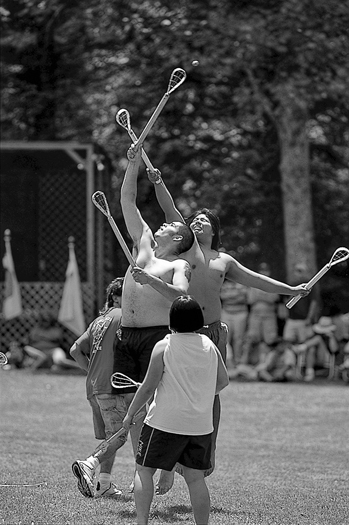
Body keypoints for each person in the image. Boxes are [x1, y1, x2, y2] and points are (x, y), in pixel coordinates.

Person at [147, 167, 309, 492]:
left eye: (203, 221)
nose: (196, 222)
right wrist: (159, 182)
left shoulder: (225, 260)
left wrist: (291, 290)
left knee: (212, 395)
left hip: (213, 334)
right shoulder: (187, 249)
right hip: (182, 331)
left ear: (214, 230)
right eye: (194, 220)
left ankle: (203, 457)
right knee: (170, 391)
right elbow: (170, 211)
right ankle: (167, 465)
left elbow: (257, 280)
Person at [71, 143, 194, 498]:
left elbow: (182, 299)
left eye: (170, 225)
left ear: (178, 239)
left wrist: (151, 280)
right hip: (126, 337)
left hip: (156, 337)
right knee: (131, 411)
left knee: (151, 409)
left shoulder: (176, 265)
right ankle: (140, 468)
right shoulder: (143, 245)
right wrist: (133, 162)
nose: (164, 223)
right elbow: (127, 200)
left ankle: (162, 465)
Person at [122, 295, 229, 525]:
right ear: (199, 321)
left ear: (171, 322)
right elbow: (222, 382)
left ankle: (142, 522)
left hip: (164, 422)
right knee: (195, 478)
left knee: (144, 470)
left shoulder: (165, 345)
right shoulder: (209, 345)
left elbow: (148, 387)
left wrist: (130, 414)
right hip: (200, 426)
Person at [70, 277, 137, 498]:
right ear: (117, 297)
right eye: (129, 294)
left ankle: (104, 484)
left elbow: (74, 350)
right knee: (119, 434)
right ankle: (89, 464)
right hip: (111, 385)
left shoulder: (98, 321)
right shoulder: (122, 316)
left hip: (94, 386)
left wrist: (92, 370)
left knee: (111, 436)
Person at [239, 262, 280, 367]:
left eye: (266, 270)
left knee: (269, 339)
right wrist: (265, 295)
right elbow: (251, 299)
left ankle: (266, 364)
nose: (264, 272)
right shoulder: (253, 283)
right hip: (255, 315)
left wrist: (260, 296)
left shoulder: (273, 283)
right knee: (252, 338)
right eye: (262, 270)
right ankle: (245, 363)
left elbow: (274, 298)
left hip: (269, 315)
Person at [220, 279, 249, 370]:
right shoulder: (224, 284)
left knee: (239, 338)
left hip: (240, 313)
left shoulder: (242, 283)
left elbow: (244, 298)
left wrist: (230, 296)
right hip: (226, 312)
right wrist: (236, 295)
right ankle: (227, 362)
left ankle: (237, 362)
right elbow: (222, 296)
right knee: (225, 337)